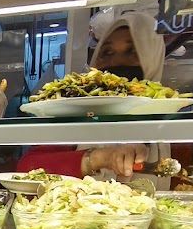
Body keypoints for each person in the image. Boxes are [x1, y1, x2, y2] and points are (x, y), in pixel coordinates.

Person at [18, 12, 167, 178]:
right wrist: (100, 158)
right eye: (107, 52)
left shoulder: (172, 120)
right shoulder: (72, 110)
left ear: (152, 57)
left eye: (132, 52)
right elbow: (28, 168)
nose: (116, 62)